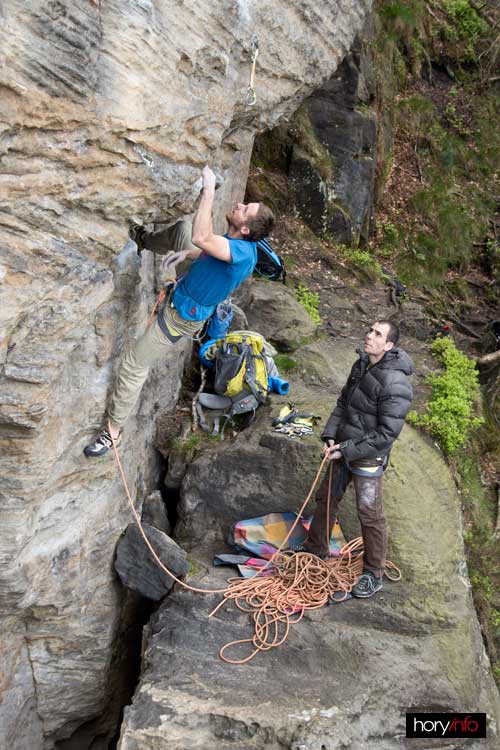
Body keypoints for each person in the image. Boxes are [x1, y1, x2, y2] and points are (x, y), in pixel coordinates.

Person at [84, 166, 275, 458]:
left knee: (135, 363)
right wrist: (187, 254)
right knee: (182, 233)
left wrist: (209, 189)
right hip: (190, 287)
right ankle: (143, 240)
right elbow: (203, 246)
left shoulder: (243, 253)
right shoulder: (238, 244)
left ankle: (113, 433)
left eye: (244, 208)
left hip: (181, 316)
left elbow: (204, 237)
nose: (239, 204)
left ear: (245, 228)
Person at [303, 320, 414, 598]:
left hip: (368, 457)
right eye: (370, 330)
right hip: (344, 445)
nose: (369, 335)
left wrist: (347, 449)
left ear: (389, 346)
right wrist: (330, 434)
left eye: (377, 334)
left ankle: (373, 574)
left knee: (370, 515)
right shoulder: (362, 364)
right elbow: (343, 402)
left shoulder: (396, 382)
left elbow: (387, 433)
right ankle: (315, 550)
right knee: (326, 497)